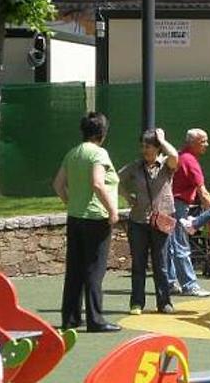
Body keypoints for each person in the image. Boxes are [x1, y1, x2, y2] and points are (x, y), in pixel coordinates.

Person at [52, 112, 121, 333]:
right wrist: (112, 210)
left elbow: (58, 184)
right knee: (94, 269)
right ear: (103, 132)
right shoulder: (99, 154)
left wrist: (71, 203)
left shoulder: (73, 153)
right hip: (95, 218)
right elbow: (98, 183)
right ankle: (96, 320)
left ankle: (70, 318)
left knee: (75, 269)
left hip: (75, 217)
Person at [119, 128, 178, 315]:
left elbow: (175, 156)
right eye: (143, 146)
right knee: (138, 263)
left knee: (161, 264)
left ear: (157, 148)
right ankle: (137, 303)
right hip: (138, 221)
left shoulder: (166, 166)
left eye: (149, 146)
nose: (145, 150)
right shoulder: (135, 167)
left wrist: (162, 139)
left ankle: (164, 302)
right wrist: (128, 197)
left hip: (161, 221)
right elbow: (115, 179)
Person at [164, 128, 210, 297]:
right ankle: (189, 285)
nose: (207, 145)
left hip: (168, 205)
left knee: (170, 245)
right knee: (180, 244)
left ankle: (170, 283)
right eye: (203, 141)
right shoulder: (190, 161)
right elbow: (203, 192)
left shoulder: (181, 157)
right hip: (177, 206)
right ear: (192, 143)